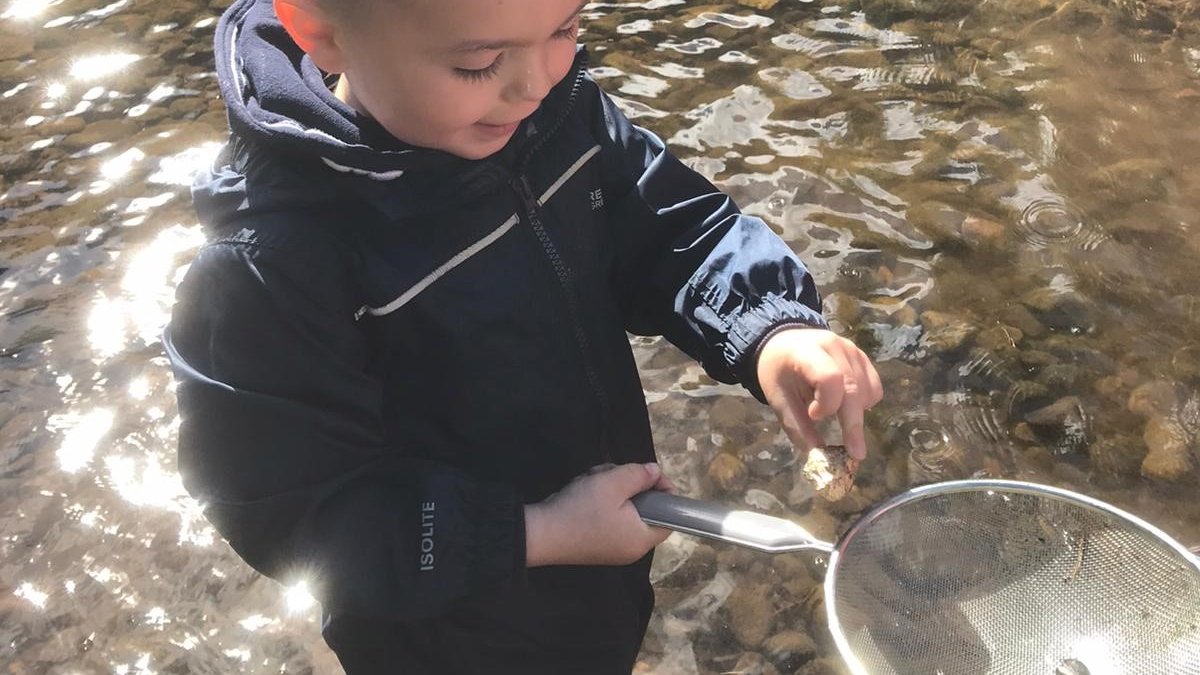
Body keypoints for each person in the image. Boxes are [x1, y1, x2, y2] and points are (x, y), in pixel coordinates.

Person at [165, 0, 883, 672]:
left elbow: (676, 232)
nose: (535, 83)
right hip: (442, 635)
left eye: (566, 28)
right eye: (478, 63)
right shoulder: (276, 263)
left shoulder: (561, 118)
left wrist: (771, 330)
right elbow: (294, 512)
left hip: (600, 562)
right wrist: (537, 532)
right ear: (319, 28)